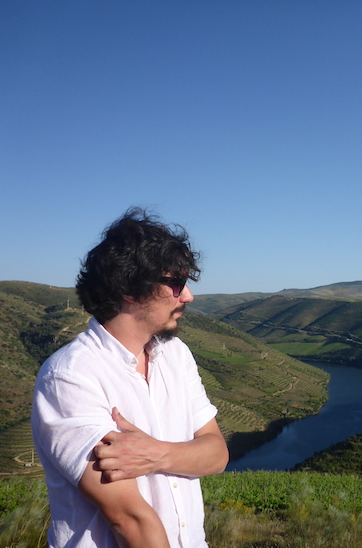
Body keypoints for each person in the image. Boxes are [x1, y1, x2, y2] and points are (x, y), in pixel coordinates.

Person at [31, 207, 229, 548]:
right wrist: (182, 453)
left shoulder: (175, 355)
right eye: (176, 284)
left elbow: (217, 454)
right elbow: (129, 519)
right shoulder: (70, 377)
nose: (188, 296)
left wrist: (157, 453)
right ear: (129, 288)